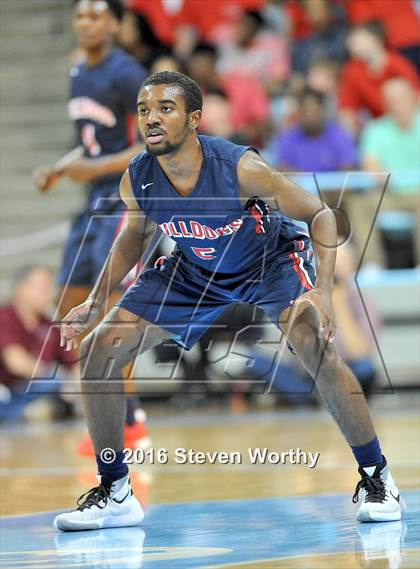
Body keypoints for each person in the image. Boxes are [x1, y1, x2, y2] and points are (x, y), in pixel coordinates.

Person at [54, 71, 404, 531]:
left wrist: (322, 292)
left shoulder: (240, 168)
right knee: (99, 349)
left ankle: (377, 476)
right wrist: (98, 301)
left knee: (311, 343)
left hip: (270, 261)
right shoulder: (137, 177)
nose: (151, 118)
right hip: (196, 270)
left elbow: (321, 216)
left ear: (194, 119)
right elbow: (134, 237)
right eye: (143, 110)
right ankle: (115, 491)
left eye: (165, 108)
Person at [32, 0, 149, 453]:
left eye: (96, 15)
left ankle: (128, 420)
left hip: (124, 197)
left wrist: (93, 167)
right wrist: (59, 169)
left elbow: (149, 144)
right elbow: (87, 142)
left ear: (115, 25)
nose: (86, 23)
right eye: (79, 16)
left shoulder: (126, 73)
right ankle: (109, 409)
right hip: (91, 199)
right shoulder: (78, 74)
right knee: (72, 301)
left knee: (112, 305)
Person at [346, 78, 420, 267]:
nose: (398, 105)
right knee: (358, 205)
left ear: (414, 98)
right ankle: (372, 264)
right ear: (385, 104)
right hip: (390, 193)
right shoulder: (375, 129)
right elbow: (371, 166)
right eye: (392, 100)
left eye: (402, 98)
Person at [0, 266, 77, 421]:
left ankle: (35, 409)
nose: (48, 294)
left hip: (34, 390)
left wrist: (76, 387)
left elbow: (74, 364)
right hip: (8, 391)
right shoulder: (5, 317)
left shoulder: (50, 325)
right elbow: (16, 363)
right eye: (43, 288)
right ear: (23, 289)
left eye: (49, 288)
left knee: (60, 386)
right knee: (52, 381)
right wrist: (57, 379)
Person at [338, 21, 419, 134]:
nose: (350, 43)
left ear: (375, 39)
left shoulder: (397, 64)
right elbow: (347, 110)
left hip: (408, 121)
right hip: (380, 127)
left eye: (357, 38)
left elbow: (416, 98)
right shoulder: (352, 71)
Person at [272, 88, 357, 173]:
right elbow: (282, 170)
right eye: (306, 111)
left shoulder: (339, 136)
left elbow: (346, 171)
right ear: (299, 112)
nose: (310, 116)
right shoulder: (288, 138)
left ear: (322, 111)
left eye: (314, 111)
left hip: (333, 186)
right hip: (297, 186)